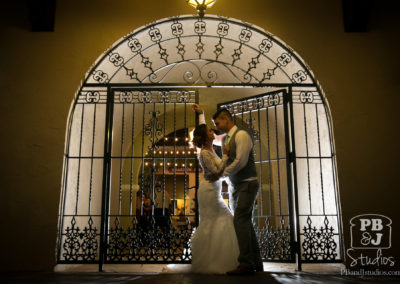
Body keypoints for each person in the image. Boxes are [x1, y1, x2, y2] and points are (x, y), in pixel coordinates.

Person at [193, 104, 263, 275]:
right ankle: (255, 262)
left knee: (239, 220)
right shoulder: (224, 140)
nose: (215, 128)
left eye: (217, 124)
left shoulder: (241, 136)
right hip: (232, 186)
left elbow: (240, 161)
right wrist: (201, 114)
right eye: (213, 127)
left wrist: (222, 174)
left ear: (225, 119)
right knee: (243, 222)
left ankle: (246, 264)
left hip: (246, 183)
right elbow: (203, 135)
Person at [189, 106, 240, 274]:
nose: (213, 132)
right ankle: (212, 260)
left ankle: (219, 258)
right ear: (206, 136)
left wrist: (201, 114)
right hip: (208, 191)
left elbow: (218, 172)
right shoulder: (204, 153)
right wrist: (225, 155)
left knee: (222, 219)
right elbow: (217, 170)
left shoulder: (211, 147)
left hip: (214, 188)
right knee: (215, 221)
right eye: (210, 131)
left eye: (213, 129)